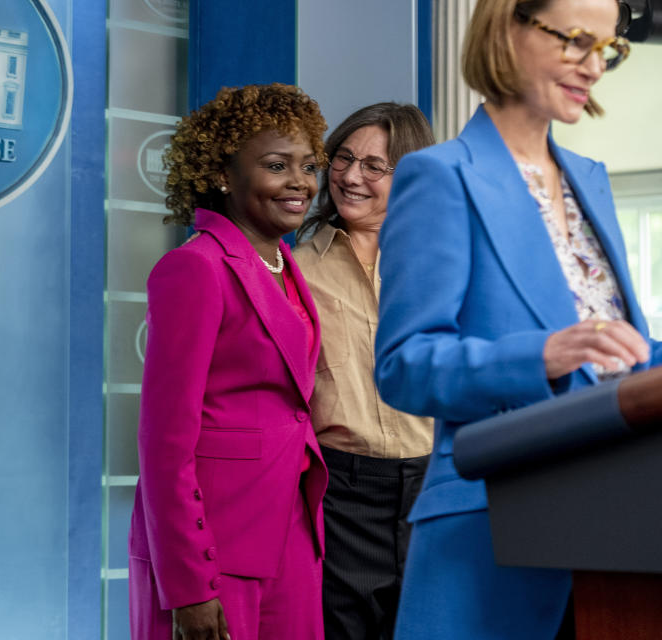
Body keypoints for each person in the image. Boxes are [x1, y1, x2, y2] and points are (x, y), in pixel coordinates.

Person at [373, 0, 661, 638]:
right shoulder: (439, 175)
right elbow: (404, 366)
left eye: (608, 49)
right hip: (488, 523)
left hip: (616, 525)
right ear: (510, 28)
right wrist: (542, 355)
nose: (594, 67)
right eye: (578, 41)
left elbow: (616, 345)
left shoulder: (590, 179)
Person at [128, 83, 330, 640]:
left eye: (309, 165)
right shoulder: (195, 268)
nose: (299, 182)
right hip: (215, 541)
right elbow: (164, 441)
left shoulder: (285, 265)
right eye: (276, 165)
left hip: (290, 529)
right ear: (221, 174)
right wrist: (189, 582)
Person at [293, 103, 435, 640]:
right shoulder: (296, 268)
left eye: (374, 166)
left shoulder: (441, 265)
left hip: (433, 485)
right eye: (343, 159)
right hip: (341, 490)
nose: (351, 177)